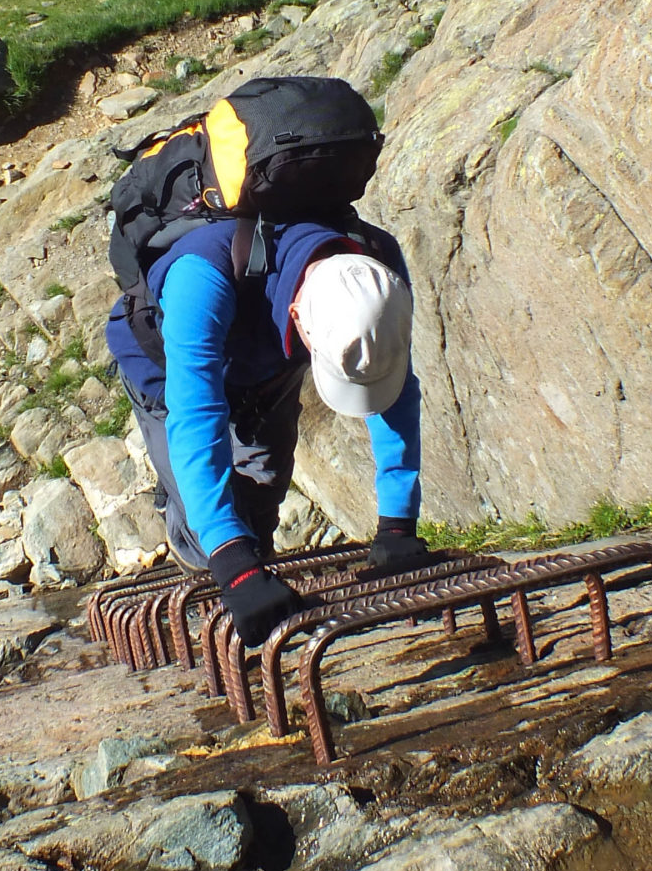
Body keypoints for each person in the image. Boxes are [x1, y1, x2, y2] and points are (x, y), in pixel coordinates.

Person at [106, 208, 430, 647]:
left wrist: (397, 523)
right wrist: (233, 563)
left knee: (258, 515)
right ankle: (183, 524)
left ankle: (249, 571)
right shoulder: (198, 280)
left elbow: (397, 391)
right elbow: (196, 417)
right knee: (216, 546)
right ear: (299, 316)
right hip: (165, 370)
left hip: (263, 365)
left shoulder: (378, 266)